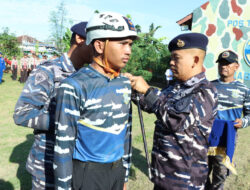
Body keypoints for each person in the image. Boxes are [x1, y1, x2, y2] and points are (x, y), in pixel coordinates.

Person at [53, 11, 137, 190]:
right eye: (122, 43)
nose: (128, 50)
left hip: (117, 170)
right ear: (99, 45)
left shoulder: (124, 82)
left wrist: (125, 174)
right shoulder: (75, 85)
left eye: (130, 44)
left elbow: (126, 132)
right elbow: (63, 146)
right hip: (88, 174)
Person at [125, 33, 218, 190]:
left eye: (176, 58)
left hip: (186, 182)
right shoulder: (175, 87)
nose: (171, 62)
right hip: (164, 176)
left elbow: (176, 121)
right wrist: (134, 89)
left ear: (195, 60)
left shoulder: (205, 91)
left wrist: (147, 91)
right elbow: (153, 105)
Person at [13, 21, 93, 190]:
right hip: (47, 165)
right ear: (79, 38)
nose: (99, 49)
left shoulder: (88, 76)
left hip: (78, 164)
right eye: (94, 42)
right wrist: (66, 120)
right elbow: (22, 114)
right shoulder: (48, 71)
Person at [205, 50, 250, 190]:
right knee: (200, 171)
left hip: (226, 138)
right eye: (221, 63)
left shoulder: (244, 89)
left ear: (236, 66)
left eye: (228, 63)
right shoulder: (209, 86)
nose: (224, 66)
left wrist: (243, 122)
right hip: (205, 136)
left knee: (220, 173)